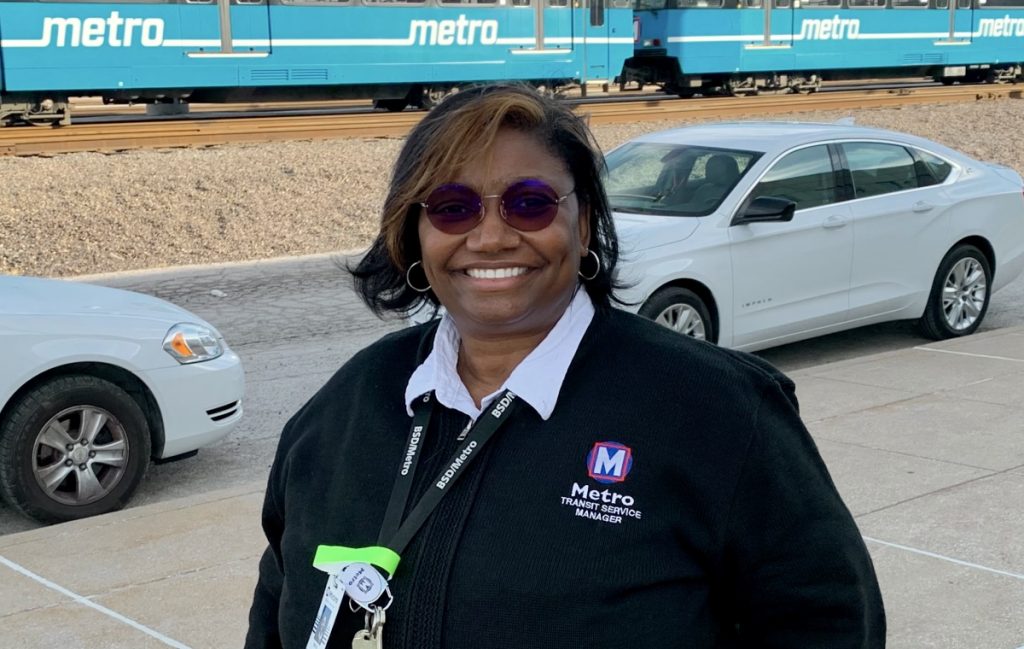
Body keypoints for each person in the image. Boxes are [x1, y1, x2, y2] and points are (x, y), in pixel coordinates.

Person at [244, 84, 886, 649]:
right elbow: (278, 598)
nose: (491, 237)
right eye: (452, 207)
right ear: (414, 234)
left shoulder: (718, 410)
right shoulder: (348, 403)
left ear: (584, 229)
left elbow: (828, 619)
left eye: (530, 203)